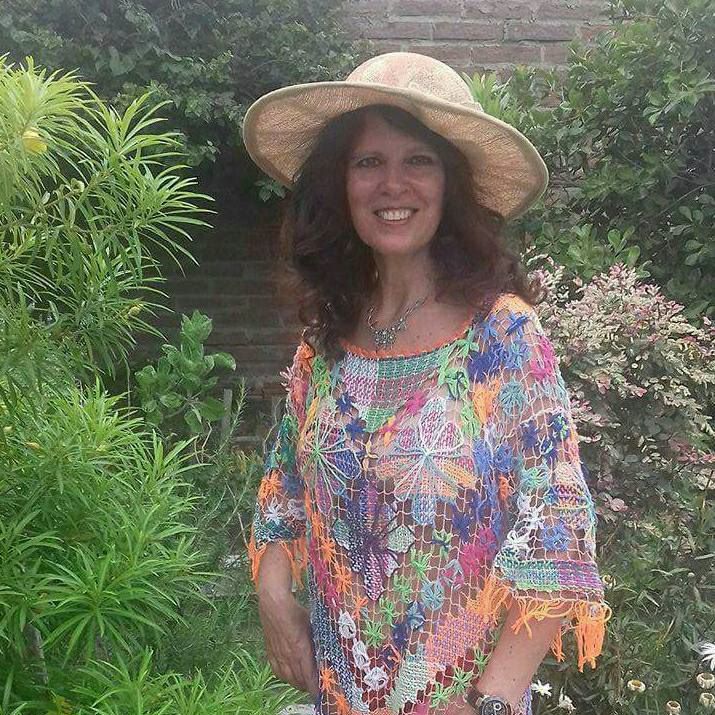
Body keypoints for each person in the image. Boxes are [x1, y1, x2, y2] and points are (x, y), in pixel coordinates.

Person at [243, 52, 610, 715]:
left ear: (450, 183)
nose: (393, 184)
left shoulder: (502, 339)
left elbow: (557, 530)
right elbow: (284, 484)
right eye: (368, 161)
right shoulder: (324, 345)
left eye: (418, 160)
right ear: (340, 183)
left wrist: (491, 701)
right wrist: (272, 592)